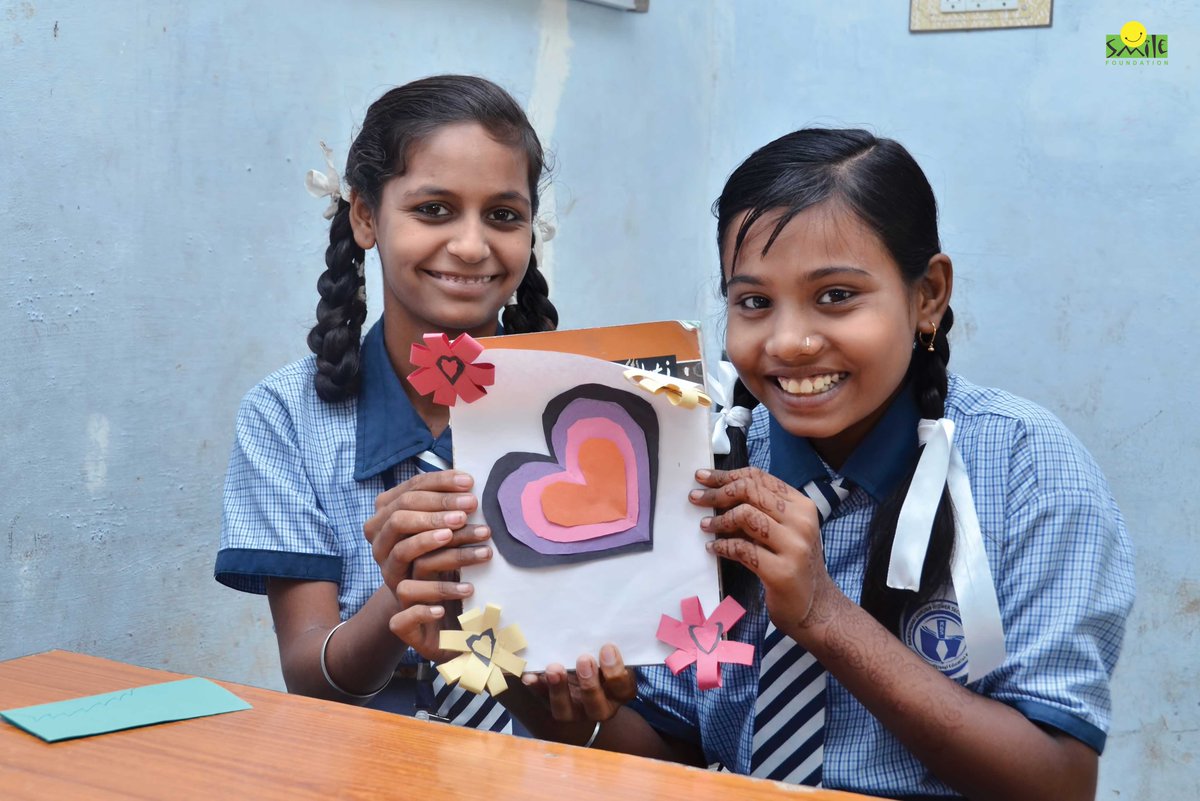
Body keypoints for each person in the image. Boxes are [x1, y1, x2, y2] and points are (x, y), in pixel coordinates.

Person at [484, 128, 1134, 800]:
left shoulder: (1027, 469)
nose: (789, 342)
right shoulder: (697, 461)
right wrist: (525, 677)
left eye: (836, 296)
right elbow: (676, 749)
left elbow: (1058, 783)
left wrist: (823, 614)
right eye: (754, 302)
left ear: (928, 295)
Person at [215, 74, 558, 731]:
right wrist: (398, 597)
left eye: (503, 215)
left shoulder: (587, 414)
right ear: (366, 217)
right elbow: (309, 675)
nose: (471, 246)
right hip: (356, 765)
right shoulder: (285, 418)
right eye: (434, 209)